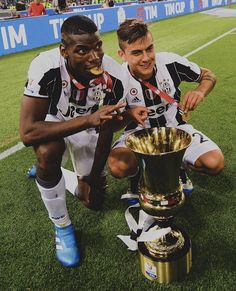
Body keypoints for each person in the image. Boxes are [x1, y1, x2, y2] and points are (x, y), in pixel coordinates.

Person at [20, 15, 147, 268]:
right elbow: (28, 133)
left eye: (97, 46)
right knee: (47, 151)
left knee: (93, 201)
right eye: (82, 50)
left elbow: (108, 127)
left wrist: (92, 178)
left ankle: (53, 174)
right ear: (63, 51)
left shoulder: (114, 74)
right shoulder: (45, 67)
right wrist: (89, 121)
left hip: (90, 125)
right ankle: (63, 228)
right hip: (53, 122)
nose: (94, 56)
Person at [107, 19, 225, 200]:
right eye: (137, 52)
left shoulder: (170, 63)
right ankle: (137, 177)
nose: (146, 58)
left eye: (149, 49)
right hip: (138, 135)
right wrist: (129, 115)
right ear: (122, 54)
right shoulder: (117, 80)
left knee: (214, 163)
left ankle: (178, 167)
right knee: (118, 166)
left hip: (176, 130)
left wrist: (199, 92)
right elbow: (111, 125)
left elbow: (209, 76)